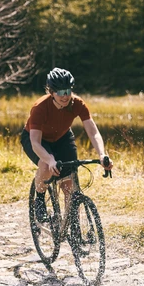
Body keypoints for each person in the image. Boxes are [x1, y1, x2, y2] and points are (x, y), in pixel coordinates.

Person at [21, 68, 112, 220]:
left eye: (68, 91)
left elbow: (93, 132)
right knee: (45, 166)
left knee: (70, 186)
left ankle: (72, 226)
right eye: (60, 92)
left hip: (62, 137)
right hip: (37, 139)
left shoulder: (77, 104)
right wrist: (50, 160)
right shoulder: (40, 107)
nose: (65, 96)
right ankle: (40, 200)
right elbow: (35, 143)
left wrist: (102, 155)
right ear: (51, 92)